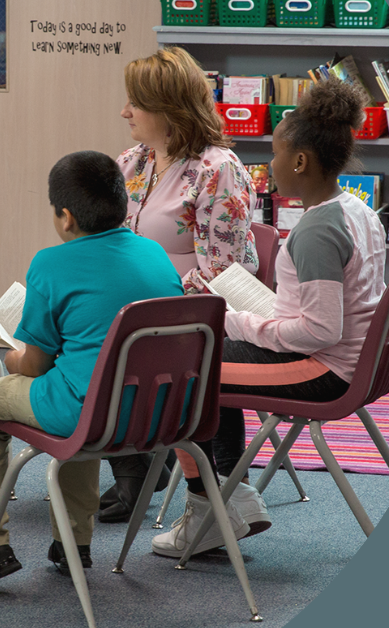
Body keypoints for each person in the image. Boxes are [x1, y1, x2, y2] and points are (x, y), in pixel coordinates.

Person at [152, 79, 387, 557]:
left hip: (324, 370)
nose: (269, 165)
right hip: (356, 365)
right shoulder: (357, 211)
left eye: (276, 155)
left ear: (300, 161)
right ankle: (226, 492)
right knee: (204, 359)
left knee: (175, 374)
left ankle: (213, 505)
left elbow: (319, 331)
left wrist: (233, 320)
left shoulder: (316, 231)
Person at [0, 151, 183, 587]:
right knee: (82, 385)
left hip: (88, 413)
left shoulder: (50, 263)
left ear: (65, 217)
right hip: (158, 415)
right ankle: (74, 543)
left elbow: (36, 365)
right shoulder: (155, 255)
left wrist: (10, 356)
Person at [101, 47, 261, 523]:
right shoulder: (131, 163)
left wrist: (150, 296)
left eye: (136, 103)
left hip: (196, 314)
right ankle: (138, 466)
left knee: (148, 351)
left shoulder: (218, 169)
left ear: (170, 110)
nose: (124, 112)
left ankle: (220, 492)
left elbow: (224, 272)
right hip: (139, 312)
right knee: (75, 334)